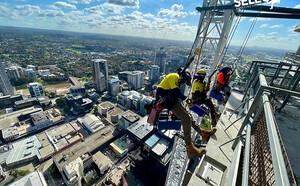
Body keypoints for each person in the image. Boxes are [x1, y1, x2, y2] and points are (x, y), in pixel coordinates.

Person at [156, 69, 216, 159]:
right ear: (184, 76)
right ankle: (190, 149)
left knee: (188, 116)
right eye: (185, 81)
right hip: (167, 101)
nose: (184, 83)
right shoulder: (174, 76)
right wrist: (187, 100)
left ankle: (202, 133)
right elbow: (176, 92)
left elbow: (175, 94)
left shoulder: (175, 80)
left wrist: (187, 101)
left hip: (171, 100)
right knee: (186, 119)